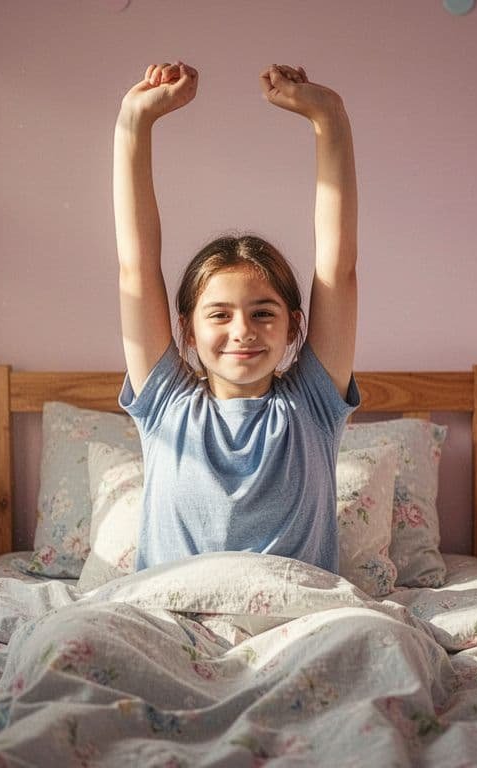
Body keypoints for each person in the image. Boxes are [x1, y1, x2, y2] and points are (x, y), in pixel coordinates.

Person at [113, 61, 359, 574]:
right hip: (172, 619)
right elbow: (136, 268)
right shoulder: (166, 405)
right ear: (188, 329)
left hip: (295, 622)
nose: (242, 331)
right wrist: (135, 121)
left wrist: (329, 117)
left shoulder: (312, 404)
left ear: (295, 325)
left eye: (263, 312)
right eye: (219, 314)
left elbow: (338, 265)